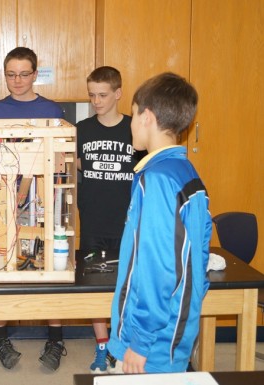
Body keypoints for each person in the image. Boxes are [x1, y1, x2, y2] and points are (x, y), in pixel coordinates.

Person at [108, 72, 211, 373]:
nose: (130, 123)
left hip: (151, 340)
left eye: (132, 114)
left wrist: (140, 341)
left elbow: (158, 267)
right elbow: (201, 249)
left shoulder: (157, 179)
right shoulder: (185, 171)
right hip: (175, 326)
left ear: (146, 117)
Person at [0, 47, 66, 371]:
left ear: (35, 74)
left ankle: (55, 338)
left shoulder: (51, 109)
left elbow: (62, 159)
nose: (17, 80)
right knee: (1, 271)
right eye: (10, 74)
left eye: (23, 73)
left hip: (45, 203)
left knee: (51, 272)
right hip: (4, 204)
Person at [75, 66, 140, 374]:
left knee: (125, 289)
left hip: (126, 224)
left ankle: (121, 345)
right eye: (91, 95)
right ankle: (102, 347)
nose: (96, 101)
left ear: (118, 94)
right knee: (93, 289)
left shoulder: (134, 129)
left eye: (102, 95)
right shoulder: (83, 129)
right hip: (92, 221)